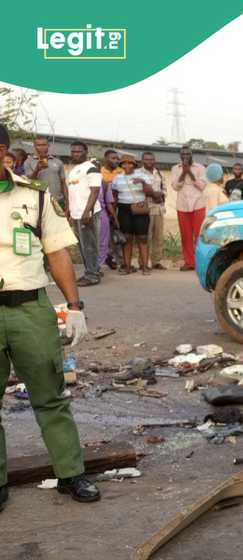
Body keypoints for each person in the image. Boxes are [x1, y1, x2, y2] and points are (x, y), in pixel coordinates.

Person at [0, 123, 98, 509]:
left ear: (4, 152)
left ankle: (71, 473)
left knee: (50, 396)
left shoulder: (34, 197)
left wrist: (74, 307)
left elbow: (57, 252)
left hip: (30, 309)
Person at [110, 153, 155, 275]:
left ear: (134, 165)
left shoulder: (142, 175)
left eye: (130, 163)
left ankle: (145, 266)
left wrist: (143, 183)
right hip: (124, 209)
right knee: (127, 238)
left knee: (143, 238)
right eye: (124, 163)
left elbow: (151, 192)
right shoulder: (117, 178)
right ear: (121, 165)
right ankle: (127, 266)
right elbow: (114, 196)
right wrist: (113, 214)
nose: (127, 165)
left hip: (140, 208)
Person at [67, 142, 104, 286]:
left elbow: (95, 191)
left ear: (85, 152)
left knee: (89, 245)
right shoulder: (74, 170)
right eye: (73, 151)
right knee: (83, 246)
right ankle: (91, 271)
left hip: (87, 214)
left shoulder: (91, 168)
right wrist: (71, 212)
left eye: (79, 151)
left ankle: (92, 276)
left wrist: (87, 211)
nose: (76, 154)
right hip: (76, 214)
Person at [170, 147, 207, 271]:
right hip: (182, 205)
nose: (185, 155)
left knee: (199, 235)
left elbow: (201, 186)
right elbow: (175, 187)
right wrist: (183, 172)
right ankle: (189, 262)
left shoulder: (200, 168)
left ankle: (200, 262)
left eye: (188, 153)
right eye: (183, 154)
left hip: (198, 205)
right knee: (185, 236)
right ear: (180, 156)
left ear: (192, 155)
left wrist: (189, 172)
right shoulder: (175, 169)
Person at [139, 152, 168, 270]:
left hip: (159, 209)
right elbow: (138, 191)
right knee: (145, 237)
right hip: (145, 209)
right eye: (147, 159)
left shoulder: (159, 173)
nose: (149, 161)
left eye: (151, 159)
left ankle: (156, 261)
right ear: (142, 161)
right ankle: (143, 262)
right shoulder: (138, 174)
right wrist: (152, 195)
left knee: (158, 237)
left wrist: (160, 195)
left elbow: (165, 189)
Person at [99, 150, 123, 271]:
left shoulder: (121, 172)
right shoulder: (99, 172)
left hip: (119, 206)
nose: (116, 161)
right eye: (113, 158)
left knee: (118, 234)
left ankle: (119, 260)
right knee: (105, 236)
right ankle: (107, 257)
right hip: (105, 208)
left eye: (117, 158)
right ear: (106, 159)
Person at [27, 138, 66, 206]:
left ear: (48, 146)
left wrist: (67, 202)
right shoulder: (28, 162)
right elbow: (28, 182)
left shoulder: (58, 162)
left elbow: (63, 183)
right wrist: (37, 170)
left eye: (44, 145)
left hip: (58, 201)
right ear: (35, 146)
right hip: (38, 201)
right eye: (38, 145)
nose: (42, 147)